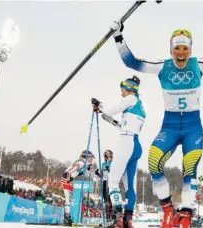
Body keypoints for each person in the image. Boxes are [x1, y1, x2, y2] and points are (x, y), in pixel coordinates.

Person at [109, 17, 203, 228]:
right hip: (169, 126)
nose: (181, 53)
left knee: (189, 167)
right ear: (171, 50)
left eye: (184, 49)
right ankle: (168, 209)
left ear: (190, 50)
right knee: (154, 162)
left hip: (192, 128)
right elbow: (131, 62)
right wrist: (118, 36)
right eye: (177, 49)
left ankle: (186, 213)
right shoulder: (162, 67)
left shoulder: (198, 64)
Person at [91, 75, 146, 228]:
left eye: (122, 89)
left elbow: (111, 110)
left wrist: (99, 104)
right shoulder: (139, 104)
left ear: (128, 89)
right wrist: (107, 118)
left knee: (113, 182)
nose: (121, 92)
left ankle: (118, 218)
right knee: (129, 187)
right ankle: (128, 219)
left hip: (127, 144)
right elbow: (124, 125)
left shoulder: (130, 99)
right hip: (135, 144)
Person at [60, 150, 95, 226]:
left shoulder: (84, 164)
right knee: (68, 199)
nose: (91, 159)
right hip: (66, 179)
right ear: (86, 157)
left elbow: (79, 172)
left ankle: (68, 218)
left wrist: (88, 169)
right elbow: (70, 171)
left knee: (70, 200)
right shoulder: (81, 163)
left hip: (69, 180)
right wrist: (68, 180)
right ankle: (67, 218)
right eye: (90, 157)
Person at [95, 150, 114, 219]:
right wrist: (97, 174)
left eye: (107, 155)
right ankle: (107, 216)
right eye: (105, 155)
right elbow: (102, 176)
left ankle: (111, 215)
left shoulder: (113, 163)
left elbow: (114, 173)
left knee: (109, 199)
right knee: (105, 199)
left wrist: (109, 169)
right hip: (104, 181)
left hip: (111, 182)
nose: (106, 156)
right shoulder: (103, 164)